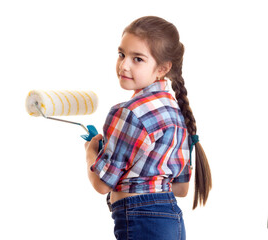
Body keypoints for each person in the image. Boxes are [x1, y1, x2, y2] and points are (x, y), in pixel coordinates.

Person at [84, 16, 212, 240]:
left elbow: (103, 184)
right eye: (121, 54)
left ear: (163, 68)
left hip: (141, 222)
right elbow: (180, 190)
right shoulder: (177, 111)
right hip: (172, 223)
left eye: (138, 59)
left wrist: (90, 153)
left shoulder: (128, 112)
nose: (124, 65)